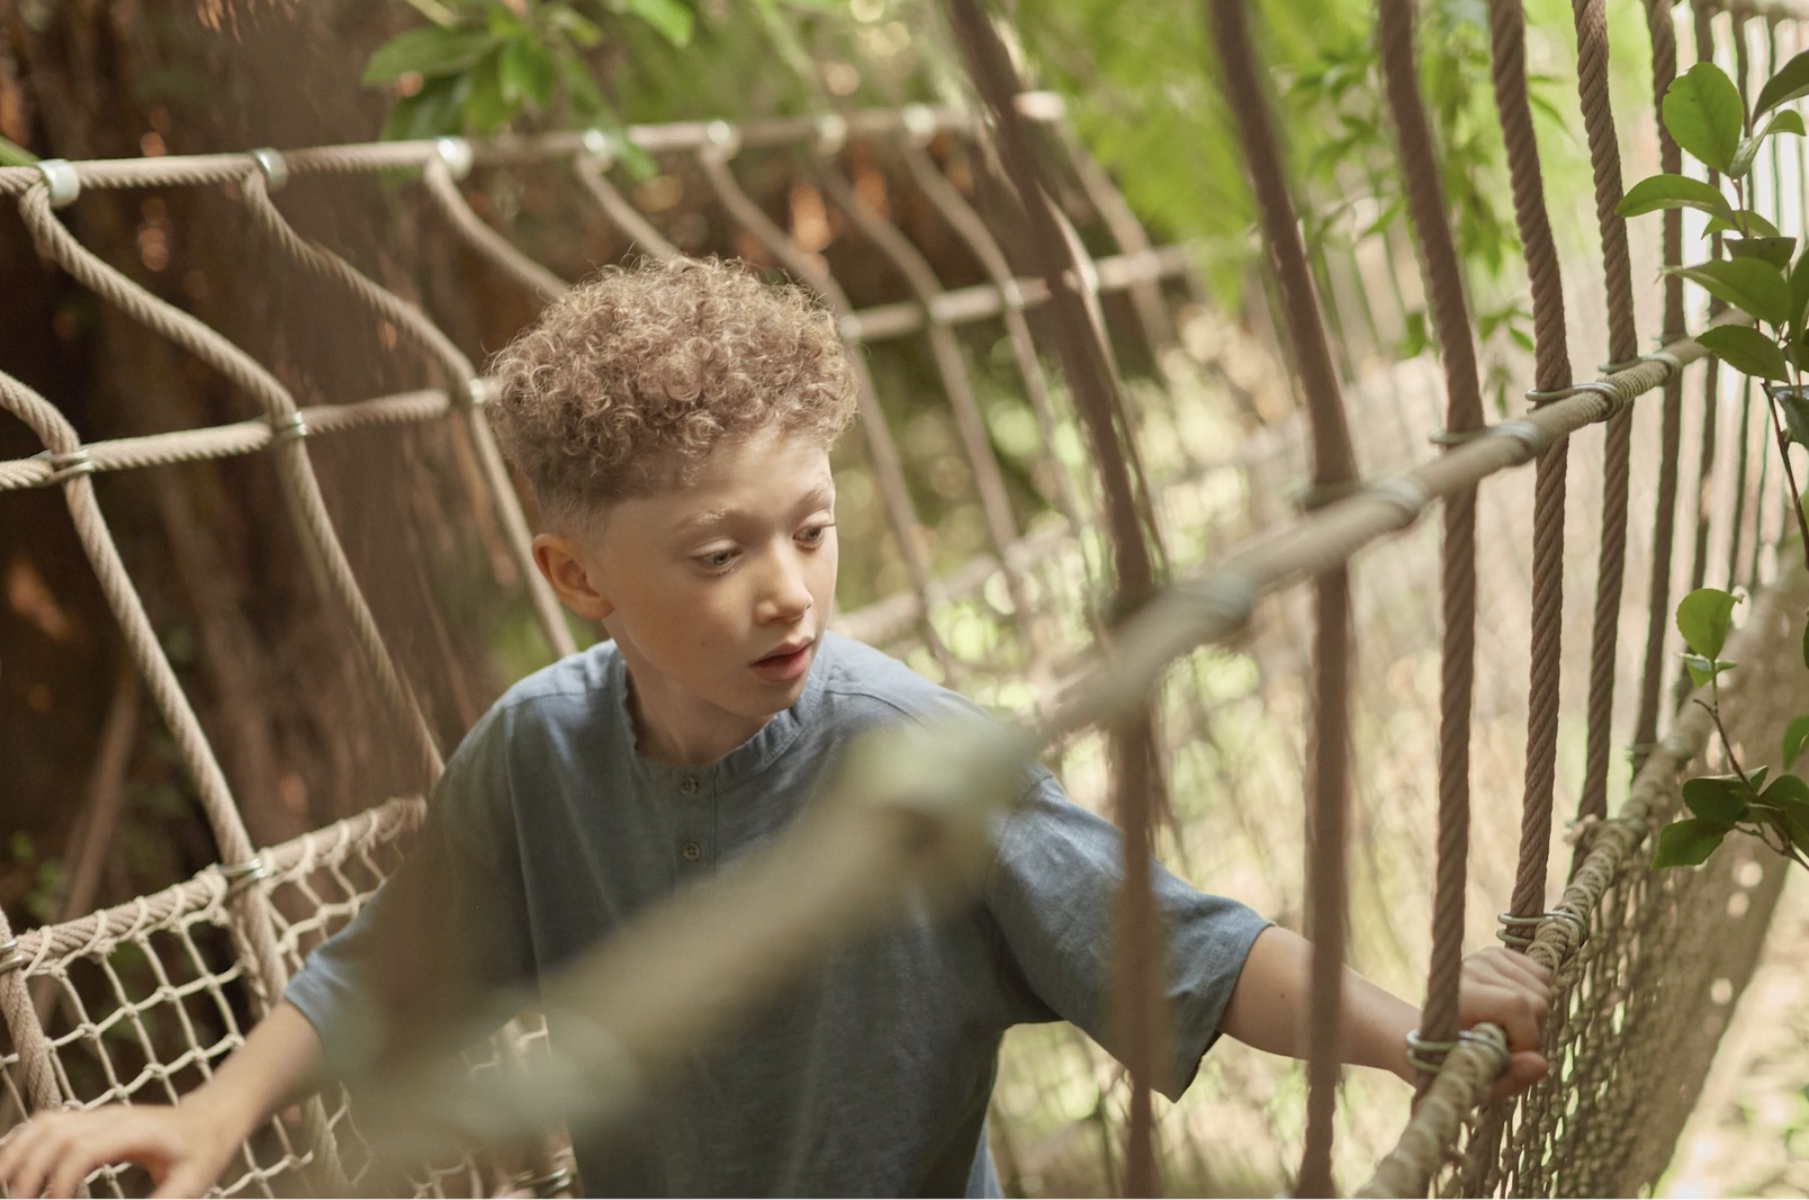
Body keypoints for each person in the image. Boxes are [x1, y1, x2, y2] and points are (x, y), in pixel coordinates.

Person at [0, 258, 1551, 1199]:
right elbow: (375, 975)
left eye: (810, 529)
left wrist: (1412, 1030)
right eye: (718, 553)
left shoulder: (917, 763)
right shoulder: (534, 757)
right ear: (576, 577)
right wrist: (208, 1119)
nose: (788, 592)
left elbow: (1183, 945)